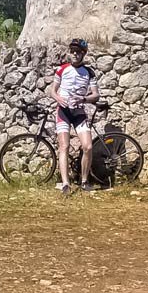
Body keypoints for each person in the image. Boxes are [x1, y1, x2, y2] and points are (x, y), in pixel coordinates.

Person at [48, 38, 100, 193]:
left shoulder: (89, 72)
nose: (75, 54)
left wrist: (84, 98)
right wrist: (58, 98)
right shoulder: (62, 69)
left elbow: (96, 95)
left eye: (79, 52)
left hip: (78, 112)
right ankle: (65, 183)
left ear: (84, 54)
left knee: (88, 146)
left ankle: (84, 181)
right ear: (70, 53)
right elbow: (52, 90)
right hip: (63, 111)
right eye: (73, 51)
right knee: (64, 146)